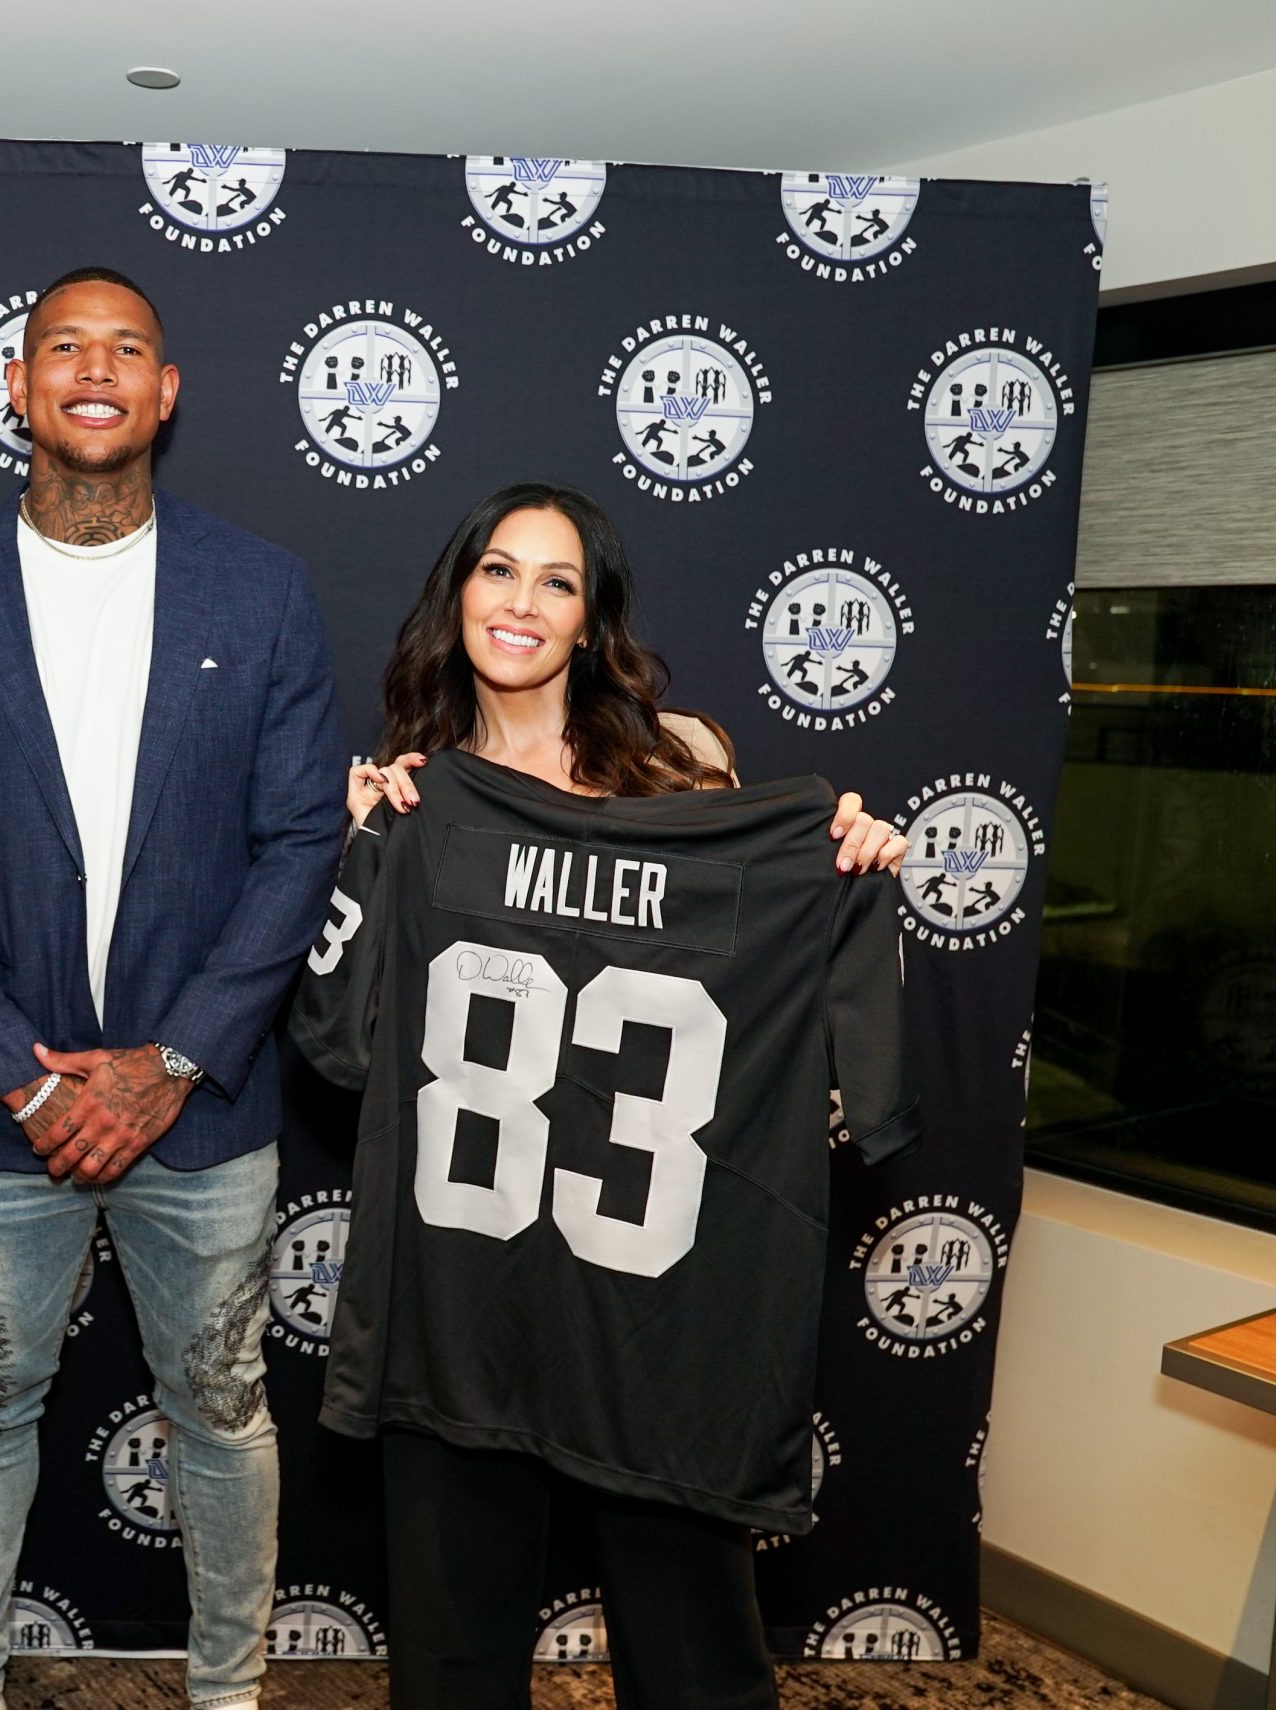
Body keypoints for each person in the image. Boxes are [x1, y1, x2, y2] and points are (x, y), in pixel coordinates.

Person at [0, 266, 345, 1710]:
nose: (94, 368)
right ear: (17, 385)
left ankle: (228, 1693)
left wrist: (171, 1059)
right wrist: (21, 1073)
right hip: (0, 1112)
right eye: (63, 345)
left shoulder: (260, 590)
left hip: (202, 1112)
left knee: (224, 1409)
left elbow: (299, 842)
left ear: (165, 392)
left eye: (126, 348)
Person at [336, 482, 907, 1710]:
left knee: (694, 1655)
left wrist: (846, 863)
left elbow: (774, 962)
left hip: (658, 1302)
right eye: (498, 570)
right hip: (468, 1293)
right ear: (458, 593)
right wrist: (361, 856)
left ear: (591, 621)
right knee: (451, 1658)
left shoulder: (682, 766)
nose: (521, 602)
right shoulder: (421, 796)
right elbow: (341, 1044)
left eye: (558, 581)